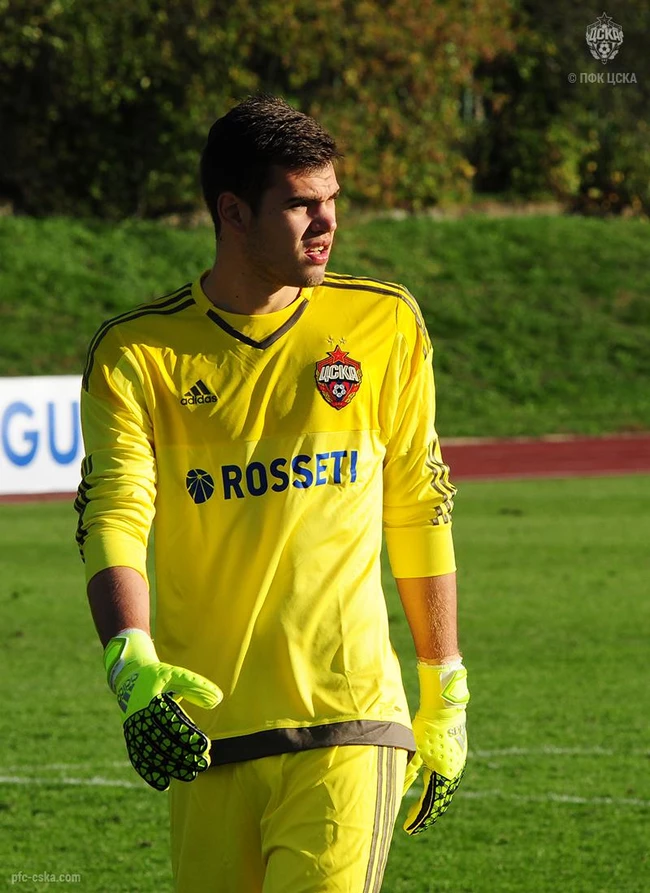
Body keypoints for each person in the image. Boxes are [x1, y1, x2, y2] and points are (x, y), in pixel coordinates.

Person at [75, 94, 470, 893]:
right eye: (299, 204)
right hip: (204, 731)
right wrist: (131, 659)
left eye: (332, 200)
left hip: (348, 718)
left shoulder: (384, 323)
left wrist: (444, 689)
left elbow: (418, 504)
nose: (326, 223)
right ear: (232, 212)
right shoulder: (137, 353)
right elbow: (115, 512)